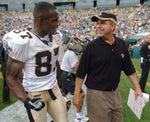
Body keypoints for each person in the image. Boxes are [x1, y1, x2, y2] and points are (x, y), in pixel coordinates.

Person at [2, 2, 69, 122]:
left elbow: (55, 63)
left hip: (54, 91)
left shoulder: (56, 36)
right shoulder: (23, 42)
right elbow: (11, 77)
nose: (58, 24)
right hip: (35, 94)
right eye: (54, 20)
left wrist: (59, 85)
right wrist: (27, 101)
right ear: (41, 20)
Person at [73, 12, 143, 122]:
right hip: (96, 95)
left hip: (115, 93)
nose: (98, 26)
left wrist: (137, 88)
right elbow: (80, 73)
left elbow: (129, 69)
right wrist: (76, 94)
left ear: (113, 26)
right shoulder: (91, 47)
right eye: (97, 23)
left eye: (103, 23)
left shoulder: (121, 44)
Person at [60, 37, 89, 122]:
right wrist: (83, 57)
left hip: (66, 76)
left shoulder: (72, 52)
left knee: (62, 96)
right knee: (81, 94)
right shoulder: (71, 53)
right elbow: (76, 67)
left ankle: (59, 115)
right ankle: (78, 117)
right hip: (67, 77)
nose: (81, 44)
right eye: (79, 42)